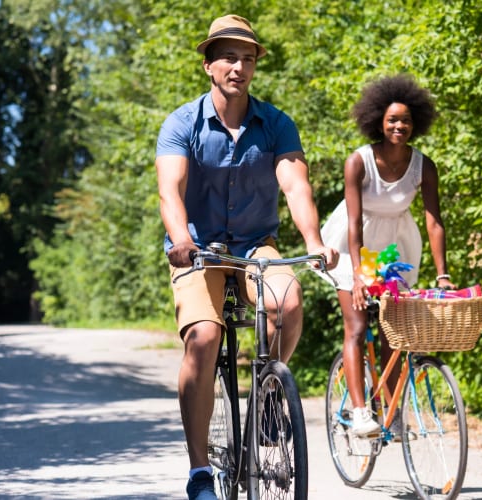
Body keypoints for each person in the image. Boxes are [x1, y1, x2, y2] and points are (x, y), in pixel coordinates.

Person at [155, 14, 338, 500]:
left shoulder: (276, 124)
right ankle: (199, 471)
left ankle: (265, 404)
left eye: (248, 58)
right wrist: (179, 238)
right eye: (229, 57)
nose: (239, 66)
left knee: (288, 302)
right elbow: (169, 192)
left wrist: (314, 240)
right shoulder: (182, 123)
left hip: (256, 243)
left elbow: (295, 185)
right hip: (197, 247)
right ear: (209, 64)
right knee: (205, 337)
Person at [320, 74, 456, 437]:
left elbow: (434, 221)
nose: (400, 126)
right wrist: (360, 275)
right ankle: (361, 411)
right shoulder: (359, 162)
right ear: (378, 121)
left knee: (391, 336)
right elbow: (353, 223)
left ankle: (391, 413)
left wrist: (442, 273)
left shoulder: (423, 166)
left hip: (396, 248)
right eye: (393, 120)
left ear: (416, 124)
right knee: (358, 326)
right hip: (354, 246)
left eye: (406, 120)